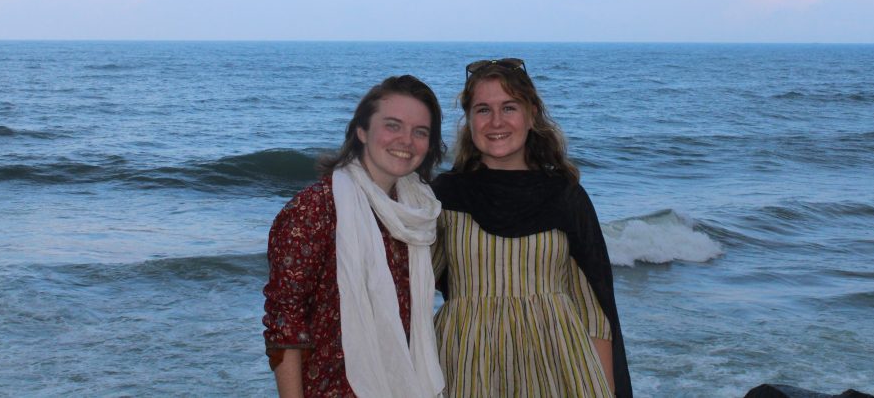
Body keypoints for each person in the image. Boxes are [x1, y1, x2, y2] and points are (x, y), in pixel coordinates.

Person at [431, 58, 633, 397]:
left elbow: (593, 311)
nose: (496, 121)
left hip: (558, 366)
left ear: (532, 113)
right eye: (483, 109)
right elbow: (407, 287)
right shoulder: (446, 195)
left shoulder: (564, 195)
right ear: (469, 119)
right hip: (467, 365)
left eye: (509, 107)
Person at [263, 75, 446, 398]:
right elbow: (285, 326)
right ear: (362, 131)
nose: (406, 140)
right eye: (393, 125)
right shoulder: (315, 209)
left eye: (420, 132)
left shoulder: (418, 215)